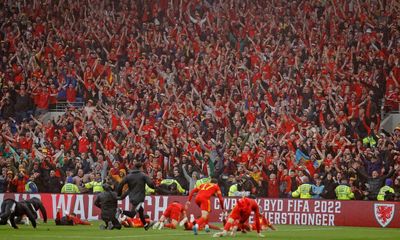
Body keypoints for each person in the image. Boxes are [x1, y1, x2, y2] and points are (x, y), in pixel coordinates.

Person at [117, 162, 155, 230]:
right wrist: (154, 186)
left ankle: (145, 225)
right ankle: (120, 211)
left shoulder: (128, 176)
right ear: (140, 168)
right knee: (132, 214)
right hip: (139, 197)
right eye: (142, 168)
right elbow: (150, 184)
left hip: (132, 197)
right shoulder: (143, 175)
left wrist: (119, 194)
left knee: (140, 211)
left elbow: (120, 184)